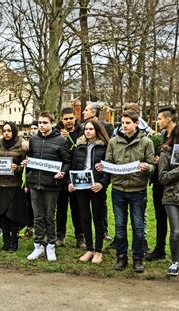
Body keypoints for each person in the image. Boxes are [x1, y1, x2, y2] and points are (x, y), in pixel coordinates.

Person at [97, 110, 155, 273]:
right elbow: (108, 162)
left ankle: (138, 259)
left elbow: (152, 165)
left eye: (127, 123)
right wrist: (103, 167)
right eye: (122, 123)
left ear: (136, 124)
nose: (124, 126)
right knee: (120, 226)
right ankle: (121, 257)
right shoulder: (114, 142)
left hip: (138, 190)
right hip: (118, 190)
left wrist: (147, 167)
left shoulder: (146, 142)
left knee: (137, 227)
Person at [25, 111, 70, 262]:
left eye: (45, 122)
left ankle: (51, 245)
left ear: (51, 123)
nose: (42, 125)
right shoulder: (33, 139)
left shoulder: (61, 140)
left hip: (51, 184)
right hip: (34, 184)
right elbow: (30, 158)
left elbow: (66, 161)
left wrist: (62, 173)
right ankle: (38, 245)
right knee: (38, 216)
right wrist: (27, 167)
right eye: (40, 122)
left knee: (50, 216)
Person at [68, 120, 110, 264]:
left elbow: (110, 169)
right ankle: (89, 249)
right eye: (86, 129)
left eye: (91, 129)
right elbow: (72, 166)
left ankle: (98, 251)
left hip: (96, 187)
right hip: (81, 186)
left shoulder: (105, 147)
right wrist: (70, 183)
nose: (88, 131)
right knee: (84, 217)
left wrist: (102, 184)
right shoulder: (79, 146)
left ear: (97, 130)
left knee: (98, 219)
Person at [0, 122, 28, 252]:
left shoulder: (22, 146)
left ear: (14, 132)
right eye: (4, 130)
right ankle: (5, 242)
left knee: (13, 215)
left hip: (14, 185)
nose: (6, 133)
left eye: (9, 130)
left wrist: (17, 168)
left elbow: (26, 165)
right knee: (2, 215)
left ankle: (14, 242)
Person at [146, 107, 177, 261]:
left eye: (159, 119)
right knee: (160, 217)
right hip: (159, 182)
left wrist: (164, 161)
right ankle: (159, 249)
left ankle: (178, 254)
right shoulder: (162, 135)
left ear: (168, 119)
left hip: (174, 183)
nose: (158, 122)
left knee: (176, 220)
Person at [81, 102, 114, 241]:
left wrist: (103, 181)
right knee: (85, 216)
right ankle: (88, 245)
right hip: (82, 183)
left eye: (86, 110)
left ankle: (101, 240)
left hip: (98, 182)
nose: (83, 112)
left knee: (98, 213)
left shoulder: (106, 132)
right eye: (86, 129)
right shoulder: (80, 143)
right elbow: (76, 163)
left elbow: (110, 162)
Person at [55, 107, 84, 248]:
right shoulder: (56, 132)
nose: (69, 121)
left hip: (77, 174)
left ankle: (80, 237)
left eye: (71, 118)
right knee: (61, 207)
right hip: (61, 174)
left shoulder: (82, 132)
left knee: (77, 207)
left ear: (75, 118)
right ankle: (60, 235)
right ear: (62, 119)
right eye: (66, 119)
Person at [158, 124, 179, 275]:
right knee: (177, 231)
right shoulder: (166, 154)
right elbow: (162, 177)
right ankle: (174, 262)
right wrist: (178, 170)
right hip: (172, 197)